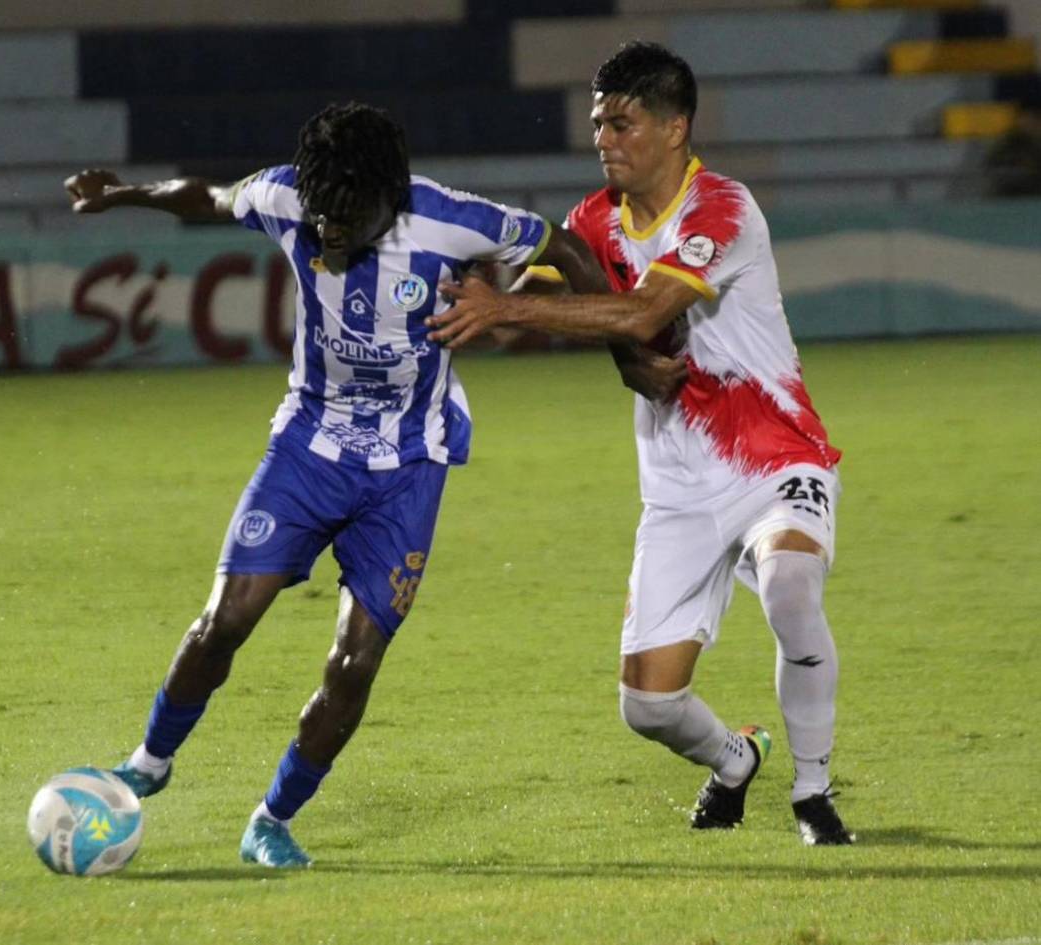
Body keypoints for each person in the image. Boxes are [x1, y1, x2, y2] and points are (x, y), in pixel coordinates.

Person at [63, 101, 623, 868]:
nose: (326, 227)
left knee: (354, 663)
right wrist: (123, 194)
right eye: (320, 209)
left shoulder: (451, 221)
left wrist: (559, 319)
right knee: (225, 619)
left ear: (389, 199)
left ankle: (271, 818)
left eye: (346, 214)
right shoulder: (290, 196)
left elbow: (565, 242)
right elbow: (206, 196)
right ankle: (148, 763)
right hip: (308, 447)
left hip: (409, 466)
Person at [427, 42, 855, 845]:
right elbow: (528, 298)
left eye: (621, 123)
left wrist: (513, 312)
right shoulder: (594, 223)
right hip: (678, 485)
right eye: (597, 124)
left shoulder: (721, 209)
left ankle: (813, 793)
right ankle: (734, 761)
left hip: (774, 455)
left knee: (793, 588)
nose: (604, 140)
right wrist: (467, 294)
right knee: (648, 704)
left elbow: (639, 314)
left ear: (674, 127)